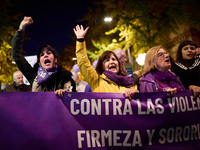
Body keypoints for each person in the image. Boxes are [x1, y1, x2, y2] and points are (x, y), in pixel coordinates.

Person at [12, 16, 76, 96]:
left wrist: (65, 92)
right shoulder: (33, 75)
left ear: (55, 59)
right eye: (42, 55)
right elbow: (16, 55)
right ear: (39, 62)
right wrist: (22, 28)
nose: (45, 55)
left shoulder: (64, 76)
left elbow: (71, 92)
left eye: (48, 53)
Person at [73, 25, 138, 99]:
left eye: (114, 59)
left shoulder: (129, 82)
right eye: (107, 60)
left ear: (118, 64)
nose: (111, 62)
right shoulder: (96, 80)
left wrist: (136, 93)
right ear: (102, 66)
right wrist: (80, 40)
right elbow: (84, 63)